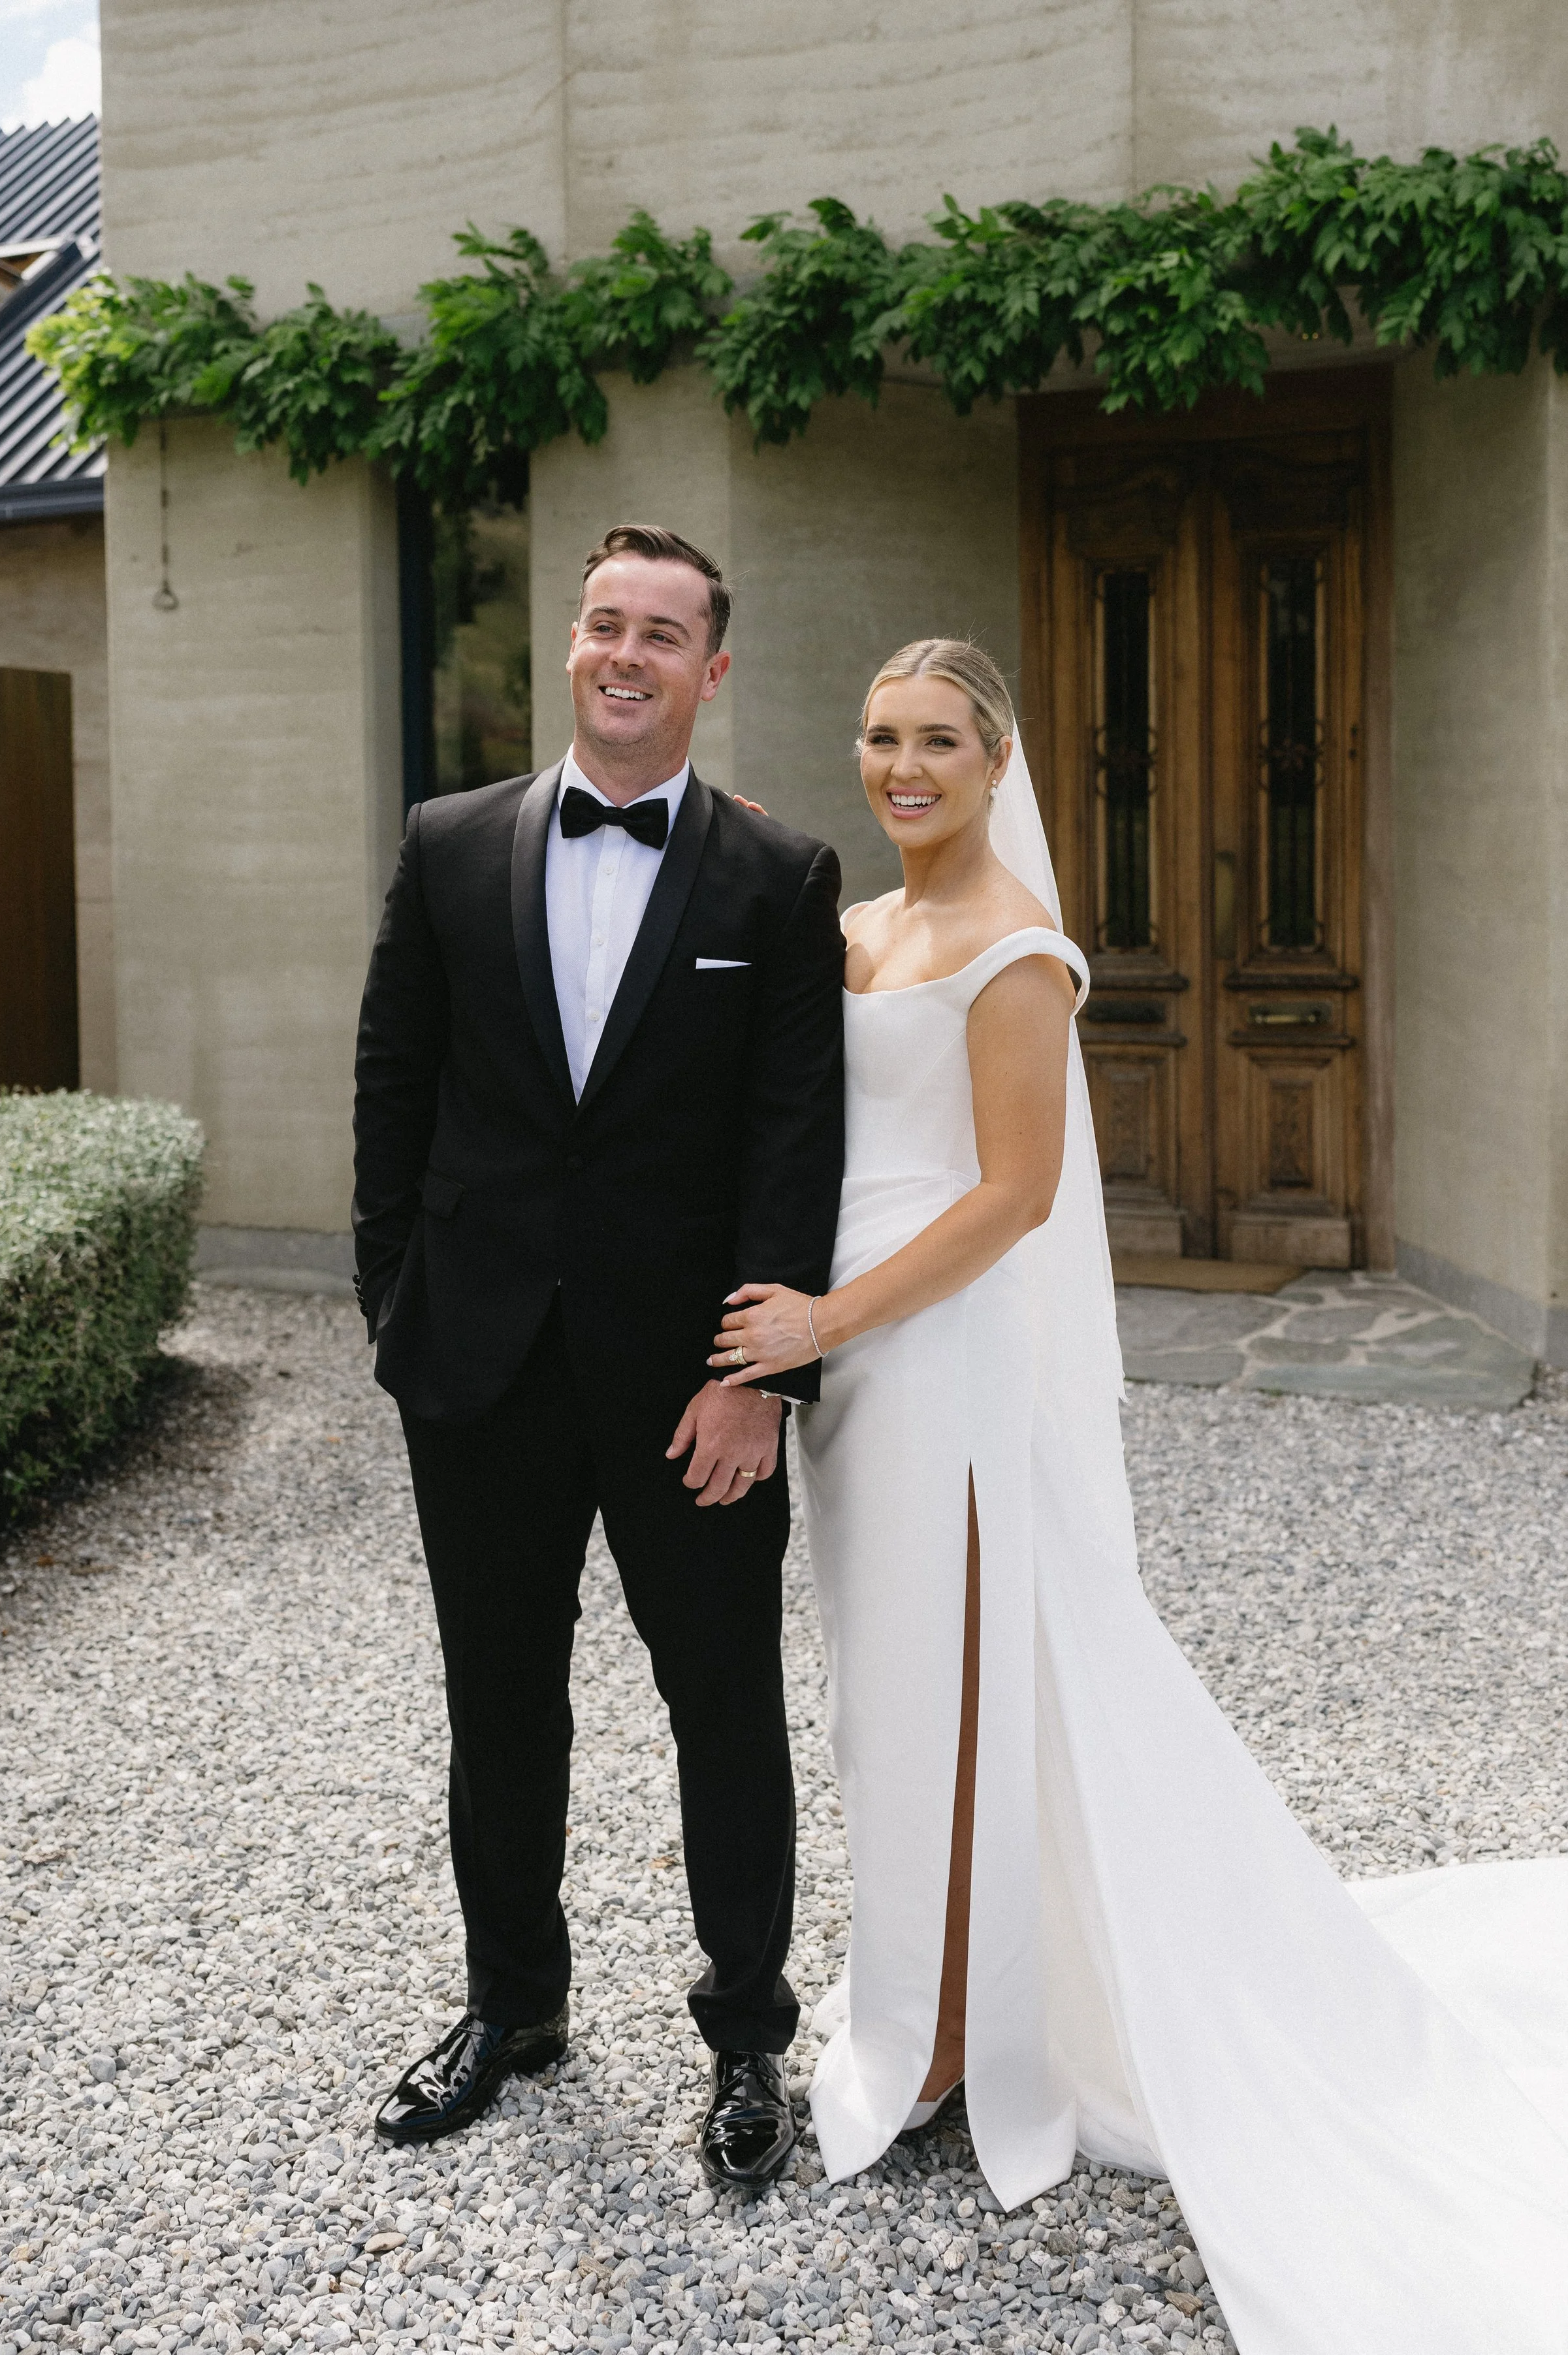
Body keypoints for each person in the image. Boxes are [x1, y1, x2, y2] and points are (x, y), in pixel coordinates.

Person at [712, 638, 1568, 2350]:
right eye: (879, 734)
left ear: (995, 754)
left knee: (962, 1683)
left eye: (937, 739)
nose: (901, 765)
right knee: (894, 1700)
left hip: (934, 1358)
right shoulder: (856, 929)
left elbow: (1015, 1196)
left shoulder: (1015, 949)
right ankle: (938, 1992)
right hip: (851, 1381)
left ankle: (969, 2026)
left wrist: (826, 1315)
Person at [351, 523, 846, 2187]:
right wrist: (396, 1312)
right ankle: (514, 2005)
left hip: (686, 1384)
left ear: (713, 670)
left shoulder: (777, 879)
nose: (623, 655)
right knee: (496, 1700)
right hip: (476, 1366)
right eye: (602, 625)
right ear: (570, 646)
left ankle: (748, 2031)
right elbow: (391, 1088)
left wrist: (758, 1377)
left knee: (721, 1703)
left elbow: (795, 1142)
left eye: (663, 635)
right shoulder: (444, 842)